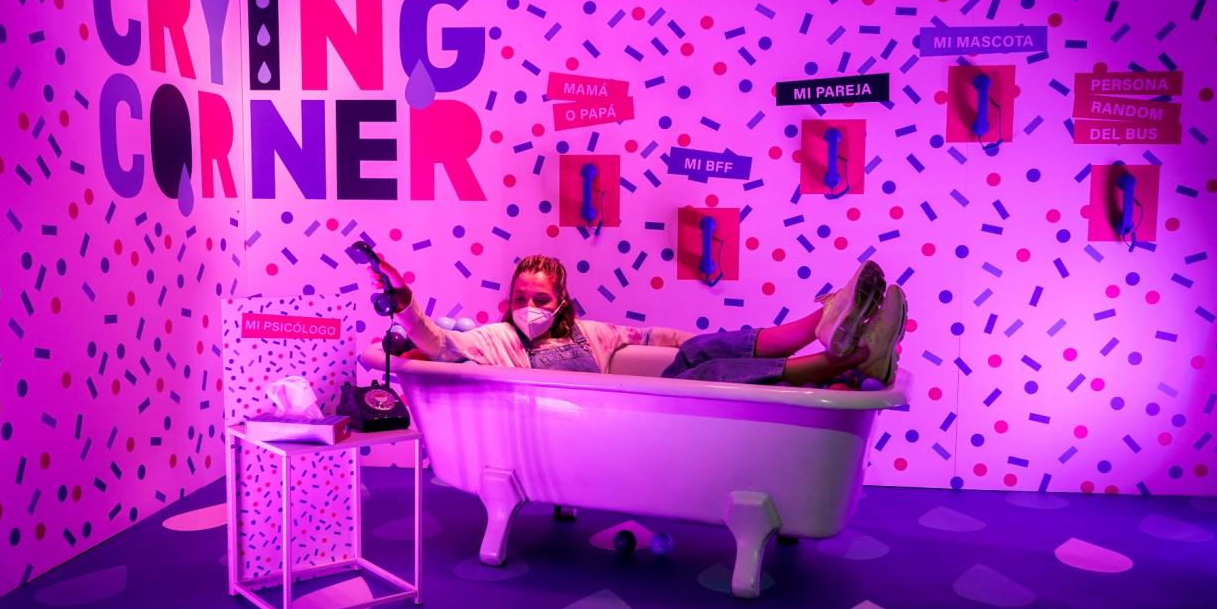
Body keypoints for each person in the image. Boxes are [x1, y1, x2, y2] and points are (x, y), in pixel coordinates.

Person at [367, 252, 906, 388]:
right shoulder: (497, 340)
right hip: (594, 431)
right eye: (519, 296)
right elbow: (437, 344)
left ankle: (821, 322)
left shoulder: (594, 333)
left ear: (559, 301)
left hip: (640, 417)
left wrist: (720, 343)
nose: (528, 304)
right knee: (709, 378)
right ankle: (856, 356)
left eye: (540, 295)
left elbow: (655, 338)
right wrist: (402, 301)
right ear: (507, 302)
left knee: (699, 352)